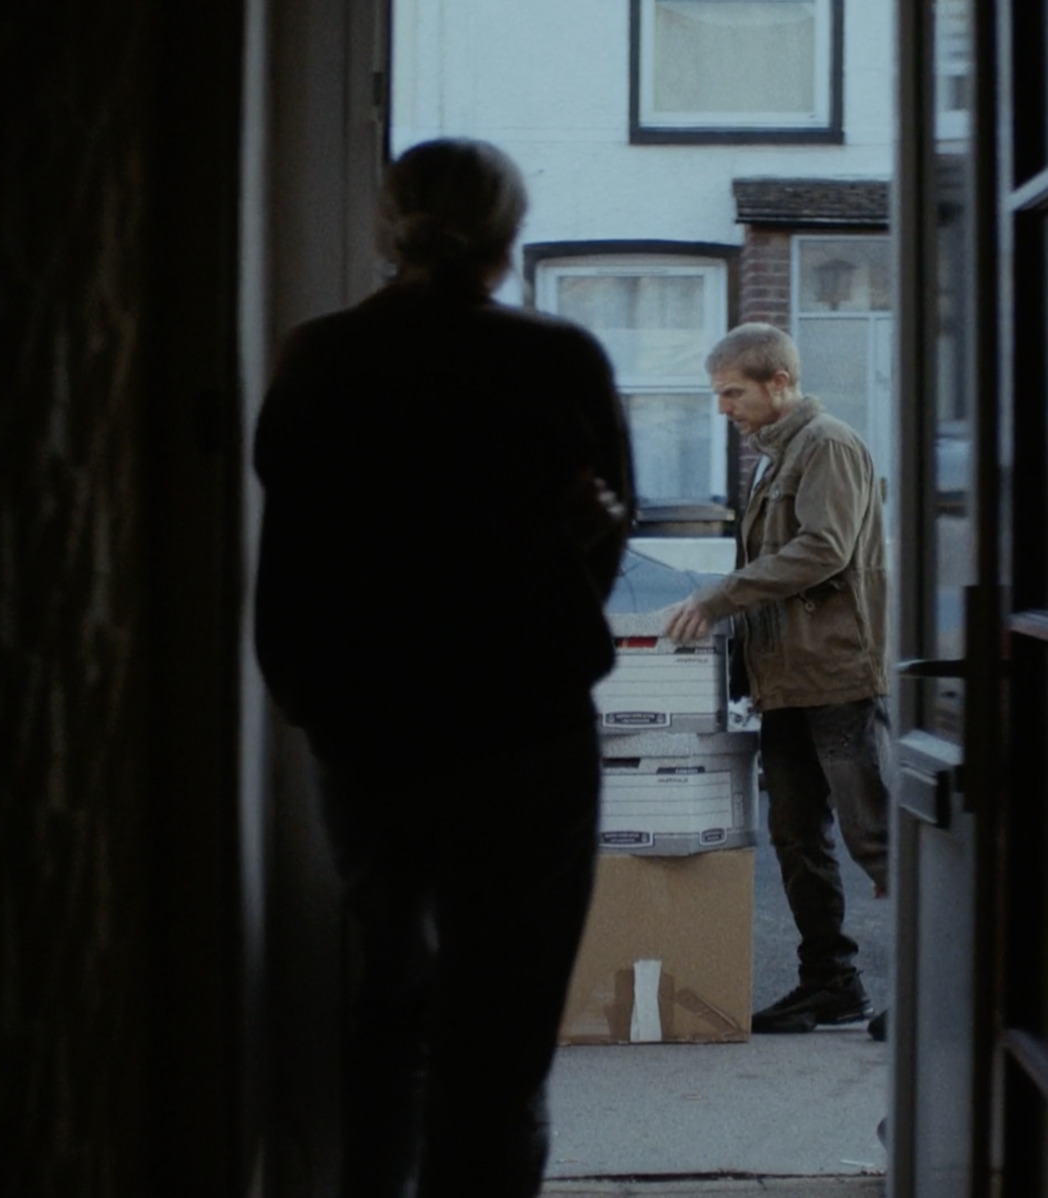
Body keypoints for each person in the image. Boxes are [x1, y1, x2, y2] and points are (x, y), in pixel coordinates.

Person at [253, 138, 633, 1197]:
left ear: (391, 226)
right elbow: (594, 556)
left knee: (393, 1002)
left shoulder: (318, 356)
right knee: (500, 1038)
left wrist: (315, 698)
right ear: (509, 234)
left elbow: (294, 556)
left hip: (370, 731)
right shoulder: (558, 359)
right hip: (525, 729)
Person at [662, 322, 890, 1035]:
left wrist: (715, 597)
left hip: (838, 674)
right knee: (795, 836)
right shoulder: (772, 457)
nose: (723, 407)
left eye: (733, 392)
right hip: (786, 679)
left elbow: (822, 549)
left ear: (779, 383)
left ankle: (938, 990)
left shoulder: (828, 446)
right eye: (719, 393)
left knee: (875, 837)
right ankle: (832, 984)